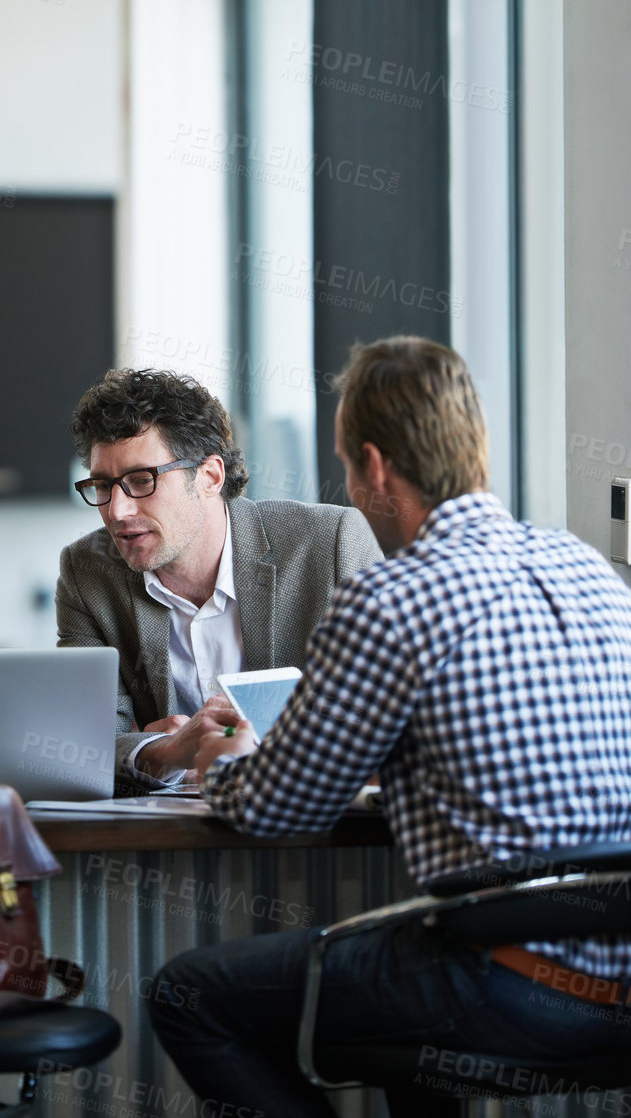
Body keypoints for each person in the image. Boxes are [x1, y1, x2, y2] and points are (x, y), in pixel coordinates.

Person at [148, 336, 631, 1118]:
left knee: (187, 993)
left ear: (374, 466)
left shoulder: (390, 597)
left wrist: (230, 754)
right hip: (618, 981)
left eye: (343, 461)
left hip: (500, 977)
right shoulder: (590, 573)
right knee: (409, 1023)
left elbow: (279, 807)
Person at [56, 367, 380, 788]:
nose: (117, 511)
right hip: (165, 840)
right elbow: (80, 744)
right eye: (103, 485)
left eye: (141, 480)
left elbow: (385, 720)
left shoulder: (329, 545)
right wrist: (165, 752)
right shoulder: (87, 572)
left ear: (210, 476)